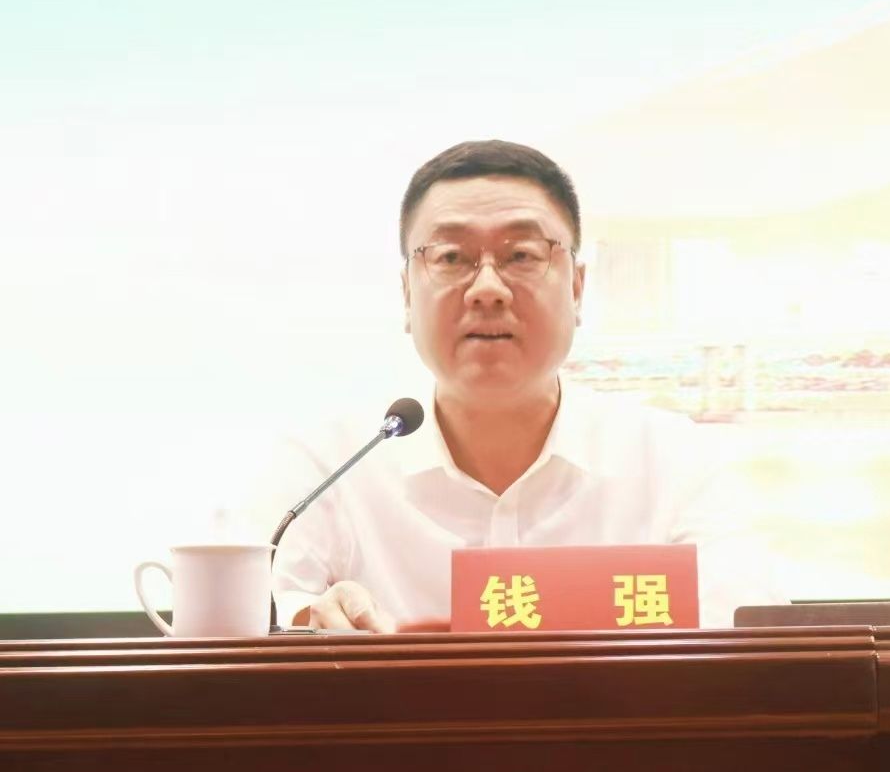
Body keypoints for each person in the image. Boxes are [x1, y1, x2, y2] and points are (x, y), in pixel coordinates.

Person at [246, 139, 785, 631]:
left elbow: (749, 637)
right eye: (451, 257)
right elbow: (250, 623)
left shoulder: (675, 461)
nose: (487, 288)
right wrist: (311, 624)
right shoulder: (327, 468)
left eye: (522, 256)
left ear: (577, 289)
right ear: (408, 294)